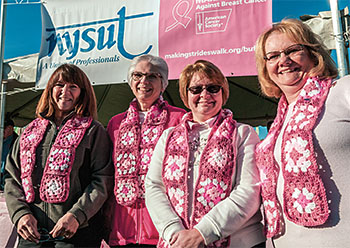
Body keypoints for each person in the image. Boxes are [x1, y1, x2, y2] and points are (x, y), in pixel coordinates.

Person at [145, 60, 266, 248]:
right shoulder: (168, 137)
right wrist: (174, 232)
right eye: (196, 89)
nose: (204, 95)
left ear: (222, 92)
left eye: (212, 88)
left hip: (238, 242)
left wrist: (202, 233)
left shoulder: (243, 133)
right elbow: (153, 186)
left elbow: (249, 190)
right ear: (186, 95)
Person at [254, 19, 350, 247]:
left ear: (313, 53)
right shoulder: (278, 123)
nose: (283, 61)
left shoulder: (342, 91)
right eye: (273, 56)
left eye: (293, 50)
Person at [4, 64, 114, 247]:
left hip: (76, 233)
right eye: (59, 85)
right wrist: (20, 214)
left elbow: (103, 180)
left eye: (73, 87)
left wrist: (77, 215)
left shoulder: (93, 131)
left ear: (82, 92)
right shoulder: (28, 131)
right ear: (50, 90)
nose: (65, 91)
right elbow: (11, 177)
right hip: (32, 235)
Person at [106, 54, 186, 247]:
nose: (144, 81)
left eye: (152, 76)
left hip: (165, 230)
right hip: (122, 231)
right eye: (137, 75)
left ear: (164, 84)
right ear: (130, 81)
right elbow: (107, 174)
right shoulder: (116, 123)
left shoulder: (179, 119)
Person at [0, 118, 18, 191]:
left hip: (9, 178)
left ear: (11, 128)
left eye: (4, 128)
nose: (2, 131)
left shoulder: (17, 142)